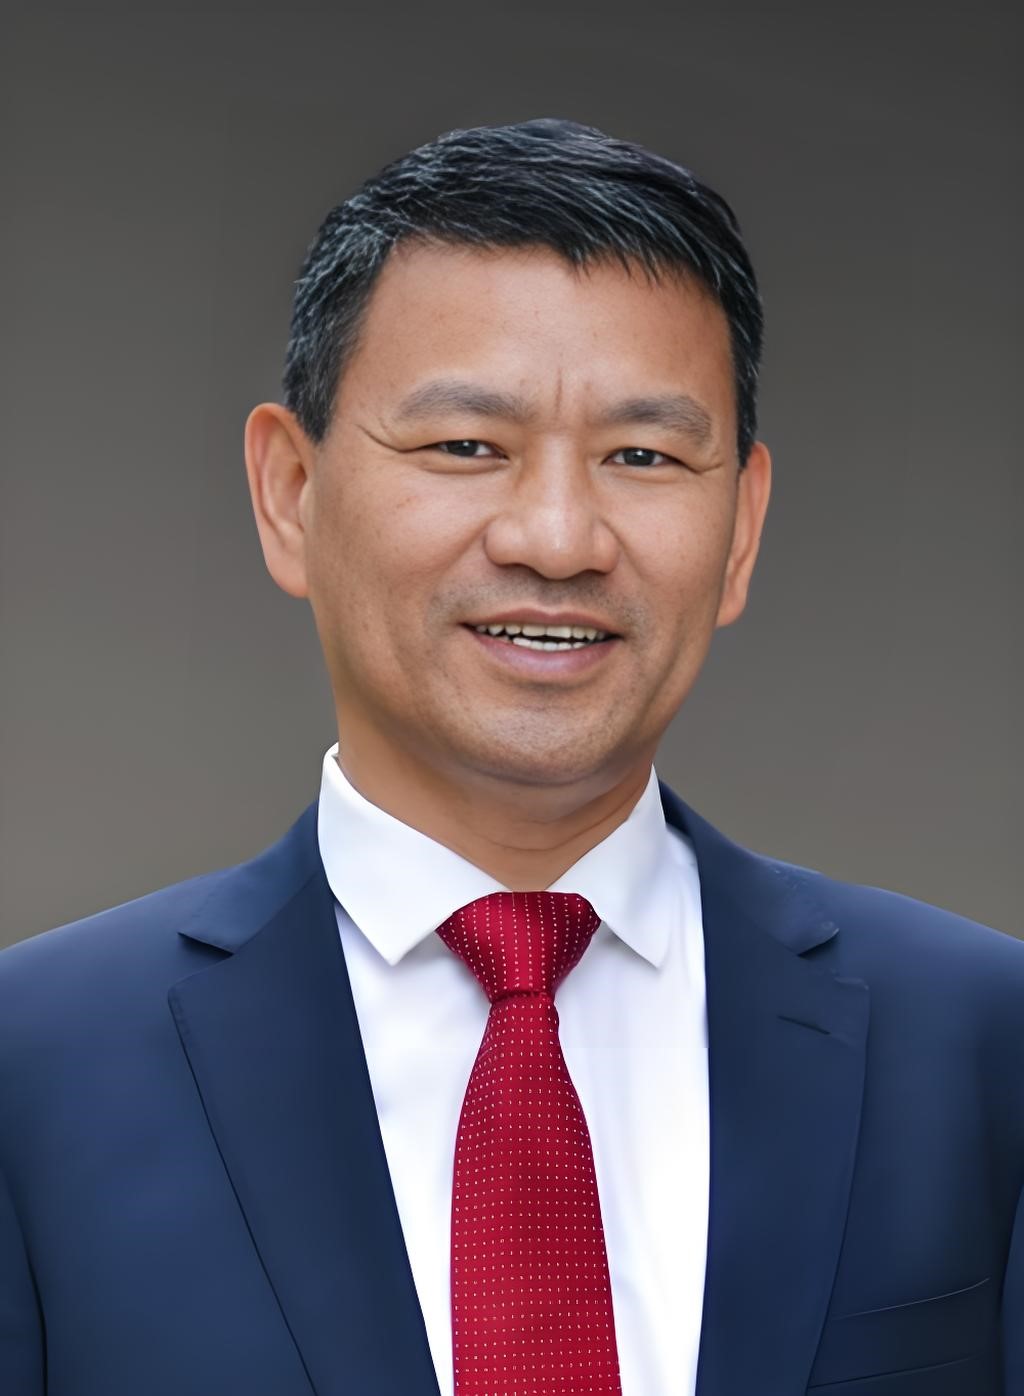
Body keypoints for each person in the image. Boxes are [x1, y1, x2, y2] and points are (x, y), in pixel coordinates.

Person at [0, 118, 1020, 1396]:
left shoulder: (982, 1045)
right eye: (466, 447)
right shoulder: (30, 1070)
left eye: (642, 456)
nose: (556, 537)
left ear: (742, 527)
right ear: (290, 493)